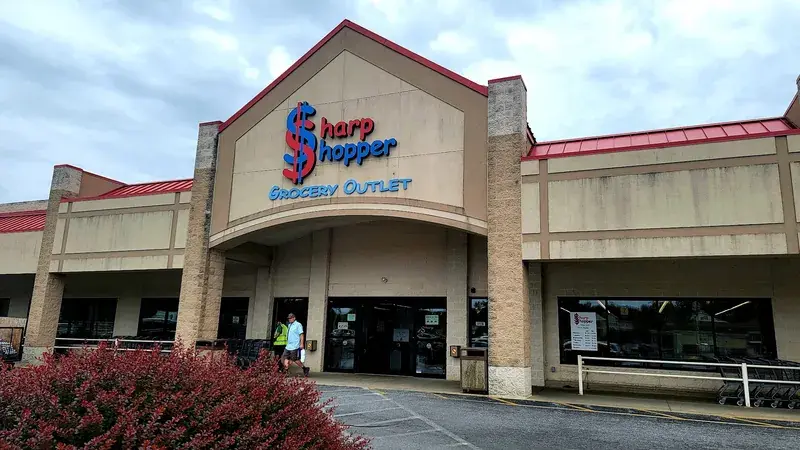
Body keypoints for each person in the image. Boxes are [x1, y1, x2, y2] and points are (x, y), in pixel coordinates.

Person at [282, 313, 309, 377]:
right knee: (285, 358)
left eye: (290, 318)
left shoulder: (298, 325)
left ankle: (304, 368)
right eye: (289, 318)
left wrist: (302, 344)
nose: (289, 319)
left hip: (295, 346)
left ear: (294, 318)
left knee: (295, 359)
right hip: (288, 346)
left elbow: (301, 334)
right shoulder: (289, 325)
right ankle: (286, 372)